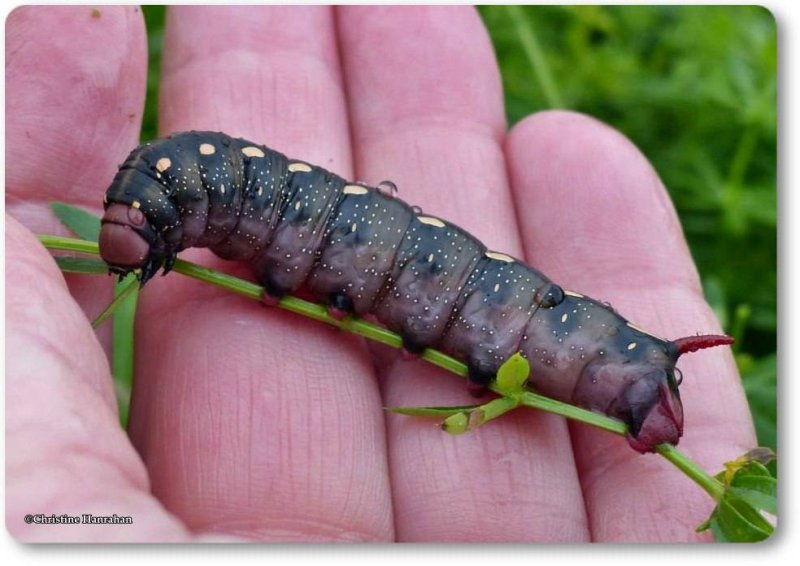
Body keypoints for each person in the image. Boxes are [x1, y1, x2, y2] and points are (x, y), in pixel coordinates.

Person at [5, 5, 756, 542]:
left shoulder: (255, 203)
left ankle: (629, 369)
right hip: (470, 302)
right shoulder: (247, 205)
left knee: (481, 293)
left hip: (508, 314)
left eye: (146, 228)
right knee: (444, 273)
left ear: (197, 211)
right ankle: (624, 366)